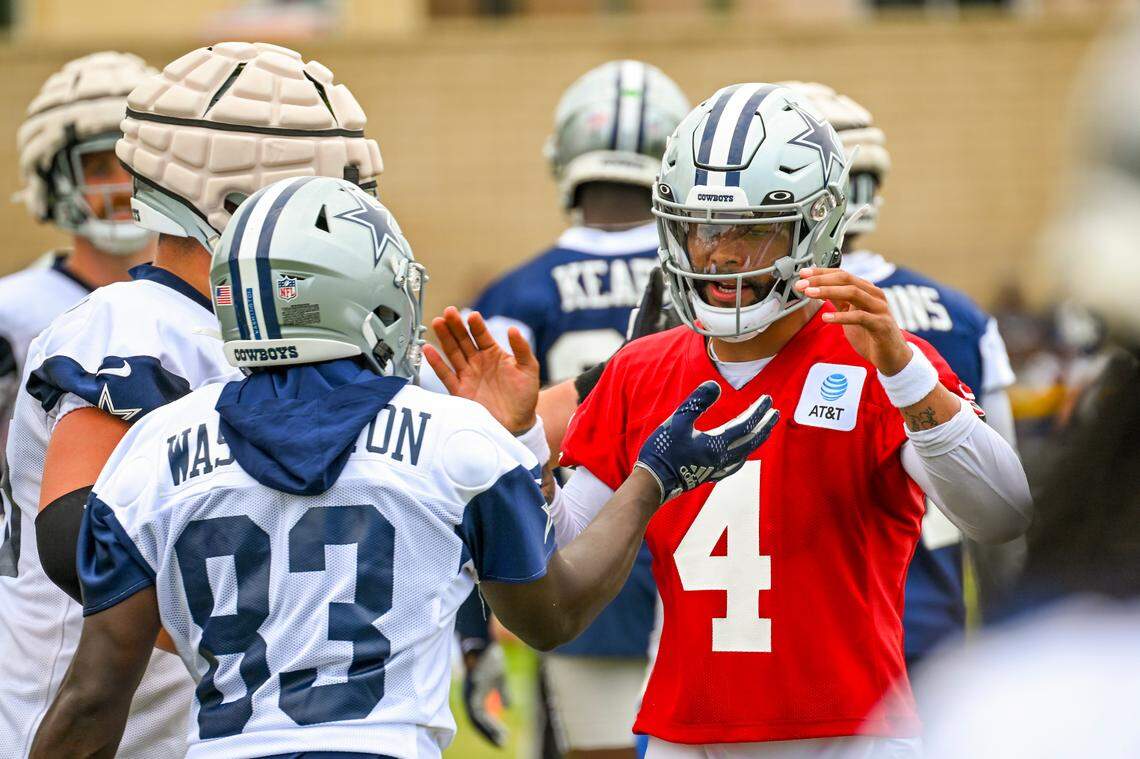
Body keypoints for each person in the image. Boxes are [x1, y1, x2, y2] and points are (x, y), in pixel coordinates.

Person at [28, 175, 779, 759]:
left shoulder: (154, 448)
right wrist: (652, 477)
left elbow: (94, 697)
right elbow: (552, 613)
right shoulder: (452, 439)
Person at [426, 82, 1032, 757]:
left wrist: (908, 376)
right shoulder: (641, 367)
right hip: (688, 734)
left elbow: (1004, 511)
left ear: (817, 225)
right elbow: (564, 559)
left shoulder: (877, 355)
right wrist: (524, 447)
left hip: (849, 735)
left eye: (752, 227)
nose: (720, 253)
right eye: (703, 226)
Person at [0, 41, 383, 757]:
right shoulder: (130, 325)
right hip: (82, 733)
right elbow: (77, 545)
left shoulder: (283, 335)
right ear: (234, 199)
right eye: (320, 195)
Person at [460, 59, 690, 757]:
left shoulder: (518, 293)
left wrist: (474, 630)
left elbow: (480, 467)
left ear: (567, 156)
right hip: (716, 568)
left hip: (584, 562)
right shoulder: (707, 276)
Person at [787, 81, 1024, 658]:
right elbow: (1008, 513)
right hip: (933, 623)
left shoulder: (769, 317)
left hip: (809, 630)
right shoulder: (962, 314)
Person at [0, 52, 156, 451]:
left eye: (133, 165)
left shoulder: (213, 302)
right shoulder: (11, 313)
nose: (122, 187)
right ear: (55, 181)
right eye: (99, 168)